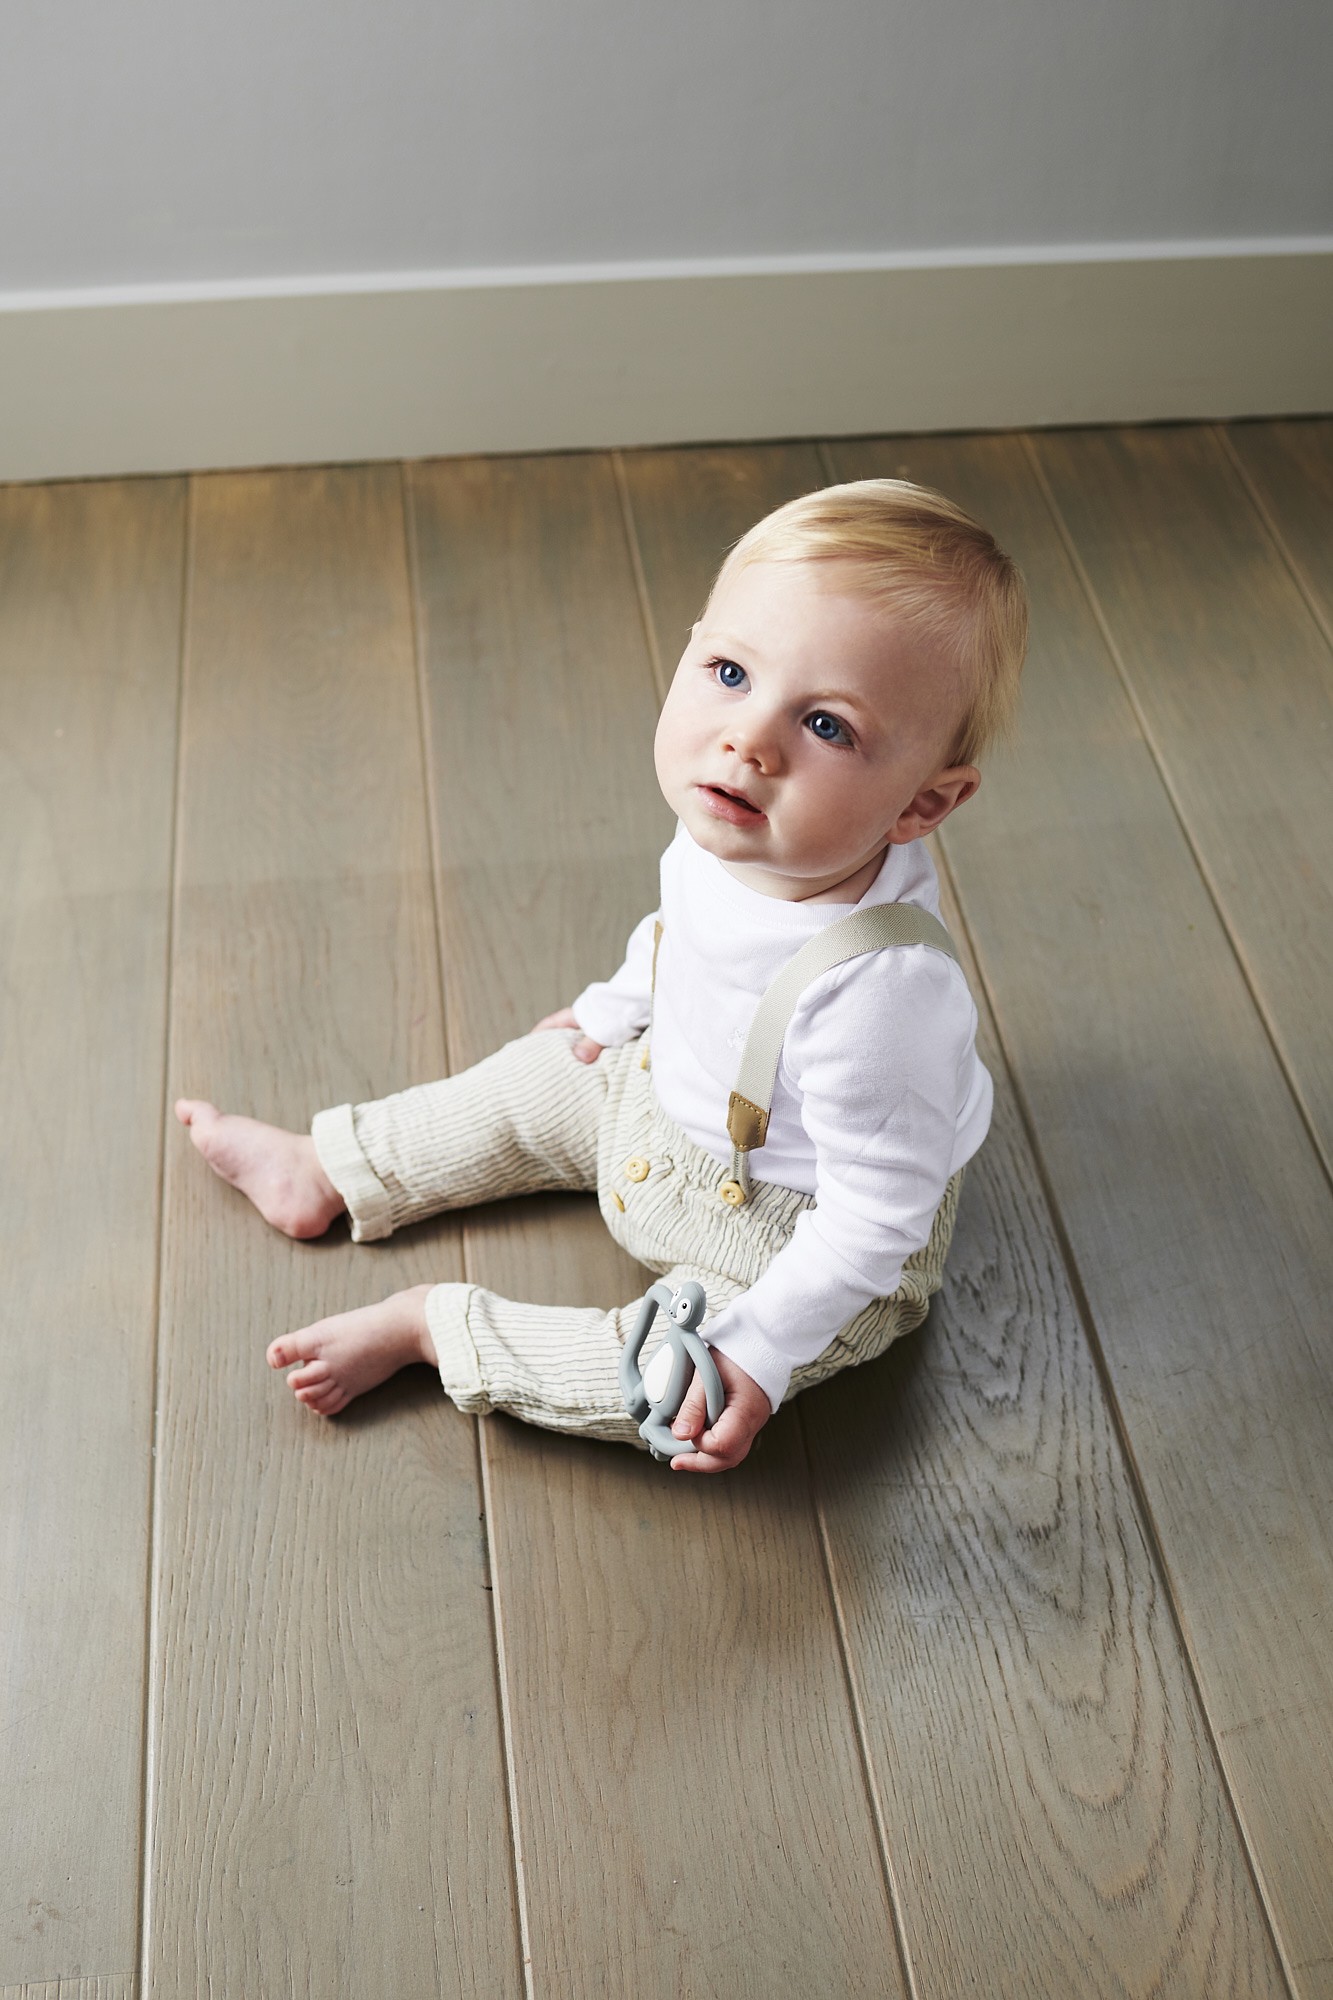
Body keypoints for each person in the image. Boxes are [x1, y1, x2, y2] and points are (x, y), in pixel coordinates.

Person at [176, 479, 1027, 1474]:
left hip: (796, 1226)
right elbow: (675, 932)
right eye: (730, 673)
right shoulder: (734, 821)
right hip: (666, 1095)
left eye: (827, 726)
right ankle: (333, 1164)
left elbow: (875, 1219)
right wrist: (613, 1009)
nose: (748, 740)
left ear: (922, 803)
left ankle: (434, 1329)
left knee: (676, 1386)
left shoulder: (881, 998)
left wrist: (762, 1346)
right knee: (527, 1083)